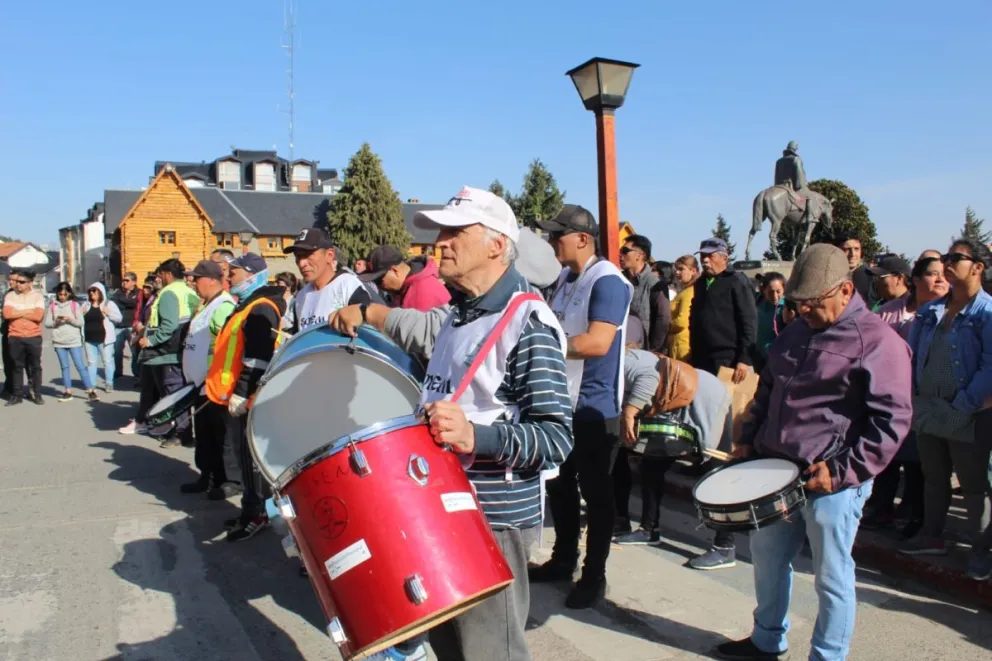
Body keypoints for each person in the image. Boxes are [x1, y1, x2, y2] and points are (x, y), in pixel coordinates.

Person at [335, 187, 573, 661]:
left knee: (491, 653)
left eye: (454, 233)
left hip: (493, 520)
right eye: (439, 233)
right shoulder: (456, 317)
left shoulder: (528, 322)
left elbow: (556, 438)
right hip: (442, 509)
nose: (438, 243)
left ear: (496, 245)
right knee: (451, 648)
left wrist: (474, 436)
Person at [713, 243, 912, 661]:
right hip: (775, 471)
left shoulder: (878, 342)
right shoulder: (796, 332)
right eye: (797, 303)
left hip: (833, 482)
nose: (803, 312)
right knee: (766, 561)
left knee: (831, 576)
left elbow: (891, 422)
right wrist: (749, 435)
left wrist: (841, 472)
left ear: (844, 290)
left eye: (812, 303)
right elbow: (768, 390)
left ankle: (827, 656)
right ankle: (767, 639)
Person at [528, 204, 631, 610]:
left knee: (596, 495)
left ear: (583, 238)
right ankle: (563, 559)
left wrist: (541, 348)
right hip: (563, 402)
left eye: (558, 236)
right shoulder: (568, 278)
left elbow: (597, 342)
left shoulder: (608, 281)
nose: (552, 242)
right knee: (560, 487)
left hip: (594, 408)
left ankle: (594, 575)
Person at [900, 239, 992, 582]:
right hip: (928, 410)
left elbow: (991, 366)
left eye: (956, 258)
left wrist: (964, 404)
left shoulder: (986, 313)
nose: (947, 263)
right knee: (934, 477)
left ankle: (980, 549)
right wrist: (913, 397)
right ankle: (932, 534)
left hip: (968, 412)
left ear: (978, 267)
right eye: (945, 257)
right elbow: (911, 356)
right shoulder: (930, 311)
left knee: (973, 484)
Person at [614, 342, 733, 546]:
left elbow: (649, 377)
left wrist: (629, 412)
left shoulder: (623, 360)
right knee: (652, 463)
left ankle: (724, 546)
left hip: (705, 398)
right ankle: (649, 529)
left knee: (714, 471)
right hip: (674, 403)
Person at [863, 256, 948, 536]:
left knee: (922, 466)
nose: (939, 280)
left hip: (933, 400)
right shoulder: (886, 313)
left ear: (902, 278)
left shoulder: (948, 315)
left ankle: (916, 515)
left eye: (942, 274)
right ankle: (883, 509)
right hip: (892, 397)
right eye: (932, 274)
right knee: (889, 455)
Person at [207, 253, 286, 542]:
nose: (229, 279)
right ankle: (250, 510)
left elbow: (256, 359)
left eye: (234, 274)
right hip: (238, 397)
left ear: (253, 276)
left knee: (251, 464)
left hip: (249, 400)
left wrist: (242, 394)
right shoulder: (248, 306)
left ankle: (257, 514)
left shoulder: (260, 309)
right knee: (243, 460)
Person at [687, 237, 756, 570]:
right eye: (702, 257)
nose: (705, 262)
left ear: (724, 258)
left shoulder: (736, 282)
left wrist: (744, 357)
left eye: (710, 257)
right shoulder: (703, 284)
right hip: (702, 363)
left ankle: (725, 540)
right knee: (708, 438)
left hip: (729, 363)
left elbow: (748, 321)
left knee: (723, 445)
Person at [179, 260, 237, 499]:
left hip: (213, 385)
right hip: (199, 384)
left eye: (196, 278)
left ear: (212, 280)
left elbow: (228, 344)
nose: (192, 282)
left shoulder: (223, 306)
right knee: (204, 434)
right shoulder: (207, 305)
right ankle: (207, 476)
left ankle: (226, 481)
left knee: (219, 435)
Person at [134, 259, 200, 447]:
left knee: (173, 392)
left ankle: (182, 432)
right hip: (182, 348)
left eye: (160, 274)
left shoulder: (169, 293)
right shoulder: (188, 291)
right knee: (178, 391)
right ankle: (182, 430)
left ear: (168, 274)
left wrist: (151, 340)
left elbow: (169, 325)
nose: (158, 278)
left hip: (168, 351)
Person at [284, 228, 372, 333]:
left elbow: (368, 330)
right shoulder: (300, 297)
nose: (302, 263)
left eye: (308, 255)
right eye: (298, 256)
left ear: (329, 255)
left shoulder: (348, 286)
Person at [44, 282, 98, 402]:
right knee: (64, 367)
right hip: (59, 341)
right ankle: (68, 391)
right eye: (60, 294)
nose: (62, 297)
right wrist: (56, 322)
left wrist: (70, 320)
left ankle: (90, 390)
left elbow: (80, 322)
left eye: (65, 294)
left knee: (80, 366)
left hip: (74, 340)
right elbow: (47, 324)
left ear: (69, 293)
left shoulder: (74, 305)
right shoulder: (53, 306)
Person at [359, 245, 452, 311]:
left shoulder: (421, 293)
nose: (379, 286)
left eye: (379, 280)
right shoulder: (405, 287)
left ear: (395, 271)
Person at [3, 269, 45, 405]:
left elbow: (38, 316)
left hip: (33, 336)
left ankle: (37, 394)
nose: (18, 284)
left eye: (22, 282)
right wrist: (28, 311)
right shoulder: (10, 296)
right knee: (16, 366)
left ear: (30, 283)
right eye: (17, 282)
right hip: (15, 336)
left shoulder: (37, 297)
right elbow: (7, 314)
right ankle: (17, 395)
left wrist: (18, 312)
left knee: (35, 367)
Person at [620, 235, 669, 352]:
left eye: (625, 251)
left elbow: (663, 320)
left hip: (644, 352)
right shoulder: (618, 280)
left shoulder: (655, 284)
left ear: (639, 255)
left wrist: (653, 351)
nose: (620, 255)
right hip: (620, 348)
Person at [82, 283, 122, 393]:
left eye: (94, 291)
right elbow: (80, 320)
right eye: (90, 291)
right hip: (89, 339)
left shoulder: (109, 304)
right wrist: (81, 314)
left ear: (100, 292)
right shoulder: (86, 305)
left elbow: (119, 318)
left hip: (105, 339)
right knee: (91, 362)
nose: (91, 293)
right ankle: (92, 385)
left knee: (107, 361)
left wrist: (108, 313)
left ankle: (109, 383)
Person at [667, 255, 699, 361]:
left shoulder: (689, 292)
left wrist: (665, 325)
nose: (677, 273)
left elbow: (682, 321)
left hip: (682, 347)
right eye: (676, 269)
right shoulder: (685, 291)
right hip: (678, 346)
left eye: (681, 269)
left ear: (693, 271)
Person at [754, 272, 787, 371]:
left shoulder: (787, 307)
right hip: (759, 358)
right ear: (763, 290)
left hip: (780, 359)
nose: (775, 296)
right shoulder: (757, 303)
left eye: (778, 291)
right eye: (770, 292)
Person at [111, 272, 139, 379]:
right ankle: (118, 372)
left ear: (133, 282)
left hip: (132, 326)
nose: (124, 282)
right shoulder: (118, 292)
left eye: (127, 280)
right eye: (123, 280)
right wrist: (128, 302)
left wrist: (124, 302)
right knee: (117, 351)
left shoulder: (139, 292)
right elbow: (113, 303)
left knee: (134, 351)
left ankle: (136, 373)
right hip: (119, 326)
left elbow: (136, 303)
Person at [837, 236, 878, 309]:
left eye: (856, 249)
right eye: (847, 249)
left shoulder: (871, 276)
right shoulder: (829, 276)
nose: (852, 254)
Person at [1, 275, 14, 399]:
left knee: (21, 363)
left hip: (20, 333)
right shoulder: (7, 294)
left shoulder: (26, 296)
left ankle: (20, 388)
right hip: (6, 331)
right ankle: (9, 386)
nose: (11, 282)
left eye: (13, 280)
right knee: (7, 361)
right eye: (10, 280)